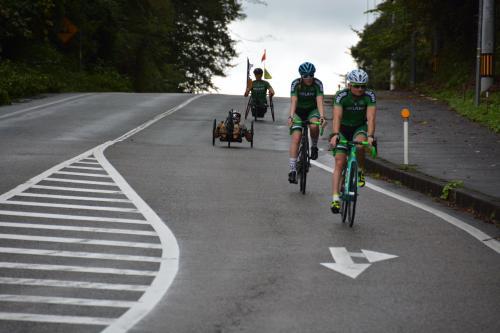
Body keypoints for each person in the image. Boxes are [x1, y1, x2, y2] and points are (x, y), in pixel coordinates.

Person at [329, 69, 376, 213]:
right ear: (349, 85)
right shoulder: (341, 96)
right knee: (339, 161)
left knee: (360, 147)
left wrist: (370, 136)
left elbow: (371, 118)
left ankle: (360, 170)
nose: (360, 89)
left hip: (359, 128)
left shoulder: (370, 95)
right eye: (356, 86)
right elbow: (337, 117)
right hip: (343, 129)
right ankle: (335, 199)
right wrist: (335, 134)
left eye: (363, 86)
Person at [287, 62, 326, 184]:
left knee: (314, 126)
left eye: (311, 75)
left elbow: (319, 100)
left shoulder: (318, 84)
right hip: (298, 111)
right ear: (301, 76)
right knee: (296, 137)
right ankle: (292, 169)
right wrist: (291, 116)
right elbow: (294, 100)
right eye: (305, 76)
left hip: (312, 110)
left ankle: (314, 146)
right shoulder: (296, 84)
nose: (308, 78)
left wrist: (322, 117)